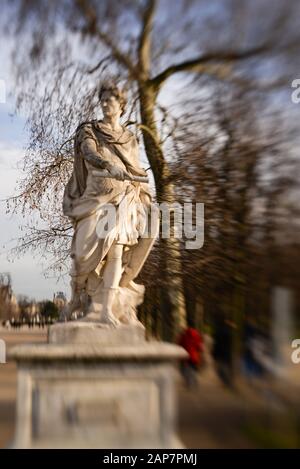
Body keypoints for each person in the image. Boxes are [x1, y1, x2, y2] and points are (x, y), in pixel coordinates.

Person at [63, 80, 159, 326]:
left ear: (121, 105)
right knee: (81, 253)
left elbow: (137, 171)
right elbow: (88, 152)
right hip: (95, 199)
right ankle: (77, 296)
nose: (105, 104)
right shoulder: (89, 130)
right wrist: (107, 164)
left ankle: (107, 310)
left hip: (124, 199)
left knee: (116, 250)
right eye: (103, 99)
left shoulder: (129, 138)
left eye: (111, 100)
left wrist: (146, 199)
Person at [178, 322, 204, 388]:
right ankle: (194, 381)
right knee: (193, 369)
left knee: (184, 369)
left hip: (185, 355)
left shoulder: (184, 335)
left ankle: (189, 382)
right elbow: (199, 346)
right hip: (194, 355)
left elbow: (180, 344)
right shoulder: (197, 335)